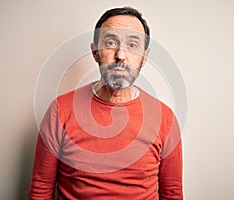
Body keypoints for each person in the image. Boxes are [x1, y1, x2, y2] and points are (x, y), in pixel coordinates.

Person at [29, 6, 183, 200]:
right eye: (110, 42)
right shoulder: (60, 110)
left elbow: (172, 193)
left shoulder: (165, 118)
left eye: (133, 45)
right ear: (95, 52)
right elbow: (41, 188)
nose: (120, 55)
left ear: (144, 57)